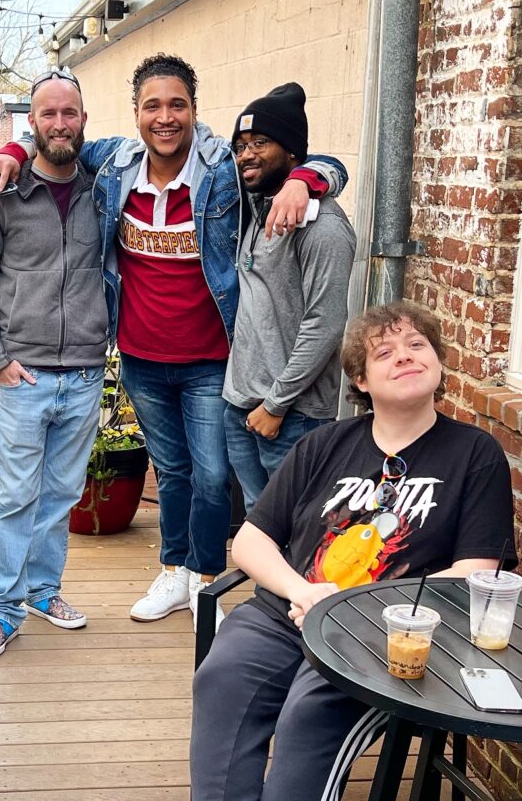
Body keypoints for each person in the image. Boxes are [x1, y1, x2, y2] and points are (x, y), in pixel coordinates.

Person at [0, 55, 346, 626]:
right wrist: (14, 148)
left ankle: (205, 581)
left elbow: (309, 161)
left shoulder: (225, 169)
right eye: (152, 105)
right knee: (171, 472)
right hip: (142, 357)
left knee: (212, 476)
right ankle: (174, 571)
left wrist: (305, 178)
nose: (165, 117)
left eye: (177, 104)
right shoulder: (112, 165)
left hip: (210, 359)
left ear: (195, 111)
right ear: (135, 114)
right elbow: (58, 137)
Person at [190, 302, 517, 801]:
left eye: (416, 345)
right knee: (221, 679)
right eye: (384, 352)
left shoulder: (475, 454)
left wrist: (351, 615)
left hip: (381, 640)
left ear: (438, 361)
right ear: (361, 380)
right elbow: (252, 541)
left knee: (307, 713)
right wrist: (302, 591)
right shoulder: (323, 444)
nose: (404, 357)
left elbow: (472, 573)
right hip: (286, 614)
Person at [0, 70, 108, 659]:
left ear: (83, 121)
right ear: (32, 123)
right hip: (23, 374)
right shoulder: (2, 192)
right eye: (46, 114)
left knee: (61, 496)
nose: (58, 123)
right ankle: (1, 610)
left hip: (84, 371)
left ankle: (43, 592)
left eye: (68, 113)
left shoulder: (105, 187)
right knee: (16, 498)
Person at [223, 83, 356, 511]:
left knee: (297, 529)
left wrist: (276, 405)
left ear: (294, 153)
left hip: (291, 415)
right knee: (257, 523)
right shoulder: (256, 206)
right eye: (241, 146)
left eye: (261, 142)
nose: (247, 154)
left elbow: (326, 324)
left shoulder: (323, 228)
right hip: (242, 404)